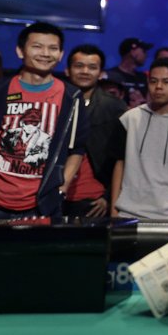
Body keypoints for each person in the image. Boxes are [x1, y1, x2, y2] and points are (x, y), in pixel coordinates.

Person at [0, 21, 89, 218]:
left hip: (42, 205)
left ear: (61, 55)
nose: (45, 53)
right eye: (37, 46)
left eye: (53, 48)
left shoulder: (71, 96)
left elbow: (76, 148)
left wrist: (62, 187)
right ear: (20, 51)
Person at [110, 57, 168, 220]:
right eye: (153, 81)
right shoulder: (129, 119)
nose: (159, 87)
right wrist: (113, 210)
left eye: (166, 82)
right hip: (126, 213)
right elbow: (119, 165)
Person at [62, 43, 128, 217]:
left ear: (100, 73)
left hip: (94, 199)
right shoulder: (54, 102)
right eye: (79, 66)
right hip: (54, 195)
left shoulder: (115, 108)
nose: (85, 71)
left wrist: (108, 196)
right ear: (67, 70)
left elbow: (124, 158)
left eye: (92, 67)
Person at [105, 37, 153, 103]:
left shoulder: (143, 77)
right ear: (133, 52)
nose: (146, 55)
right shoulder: (110, 76)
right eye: (144, 51)